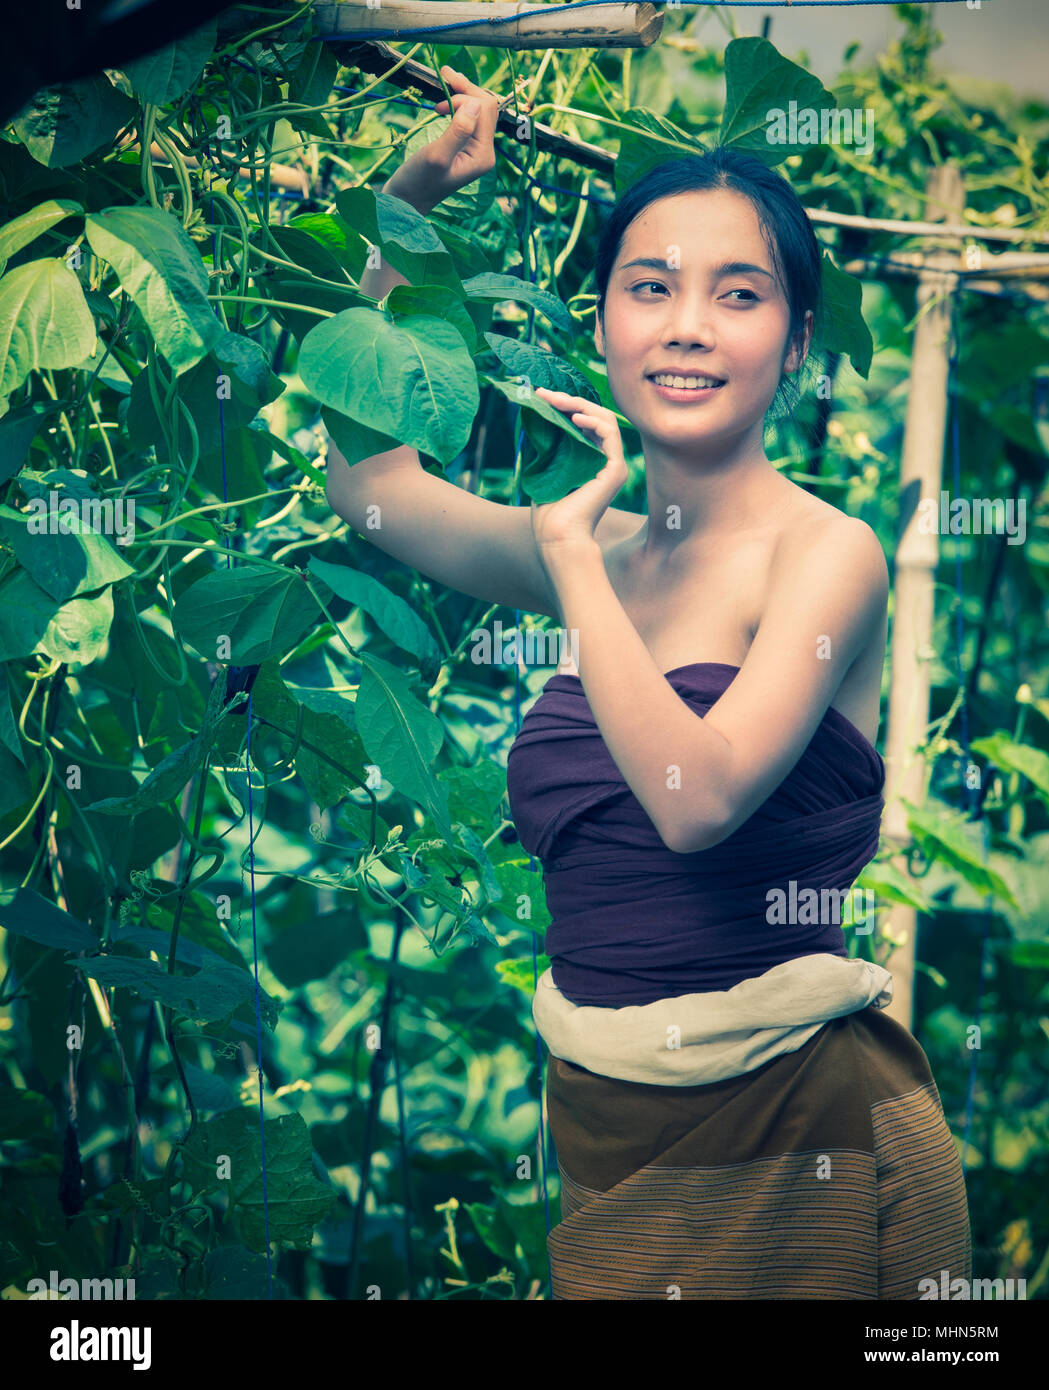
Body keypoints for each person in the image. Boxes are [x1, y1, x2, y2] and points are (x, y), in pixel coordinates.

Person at [324, 67, 972, 1300]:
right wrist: (407, 201)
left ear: (792, 343)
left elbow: (695, 797)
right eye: (649, 287)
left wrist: (569, 555)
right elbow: (369, 484)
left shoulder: (824, 554)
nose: (685, 325)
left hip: (803, 1132)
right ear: (605, 320)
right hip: (609, 1135)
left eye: (737, 295)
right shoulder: (603, 550)